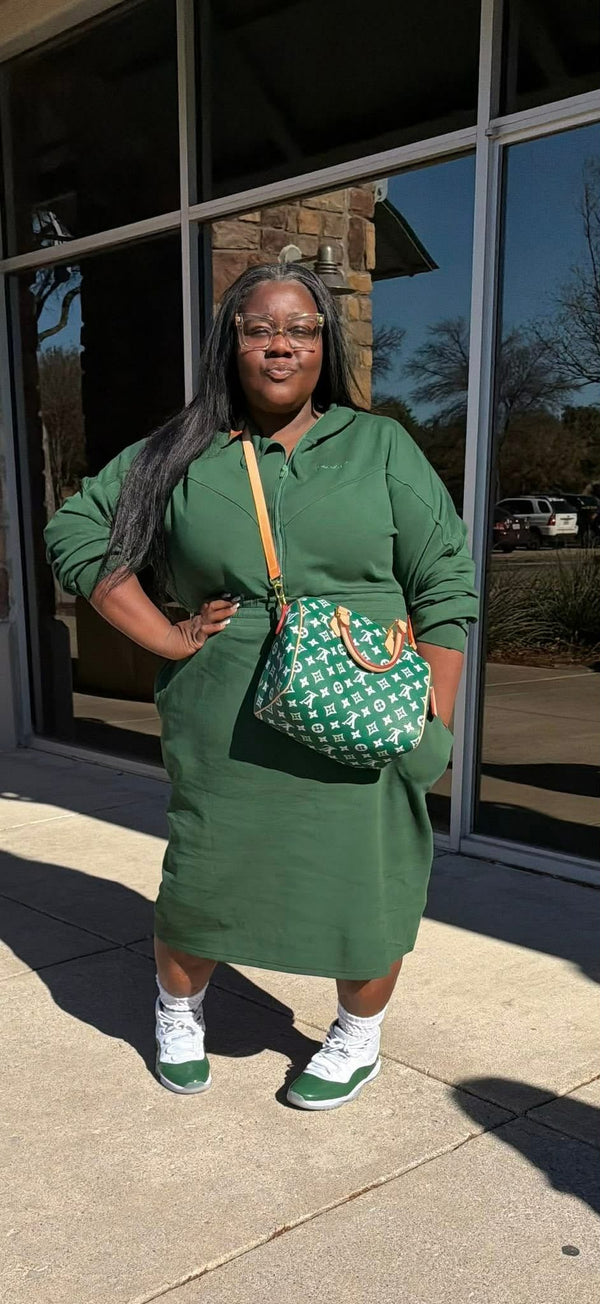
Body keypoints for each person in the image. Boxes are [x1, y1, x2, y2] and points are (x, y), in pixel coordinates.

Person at [44, 262, 477, 1111]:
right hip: (224, 712)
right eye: (260, 329)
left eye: (302, 330)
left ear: (325, 346)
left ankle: (356, 1036)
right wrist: (164, 635)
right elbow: (77, 530)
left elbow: (445, 580)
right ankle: (178, 1011)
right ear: (231, 344)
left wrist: (435, 715)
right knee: (205, 875)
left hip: (363, 704)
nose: (282, 345)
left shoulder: (379, 445)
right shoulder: (180, 453)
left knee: (365, 882)